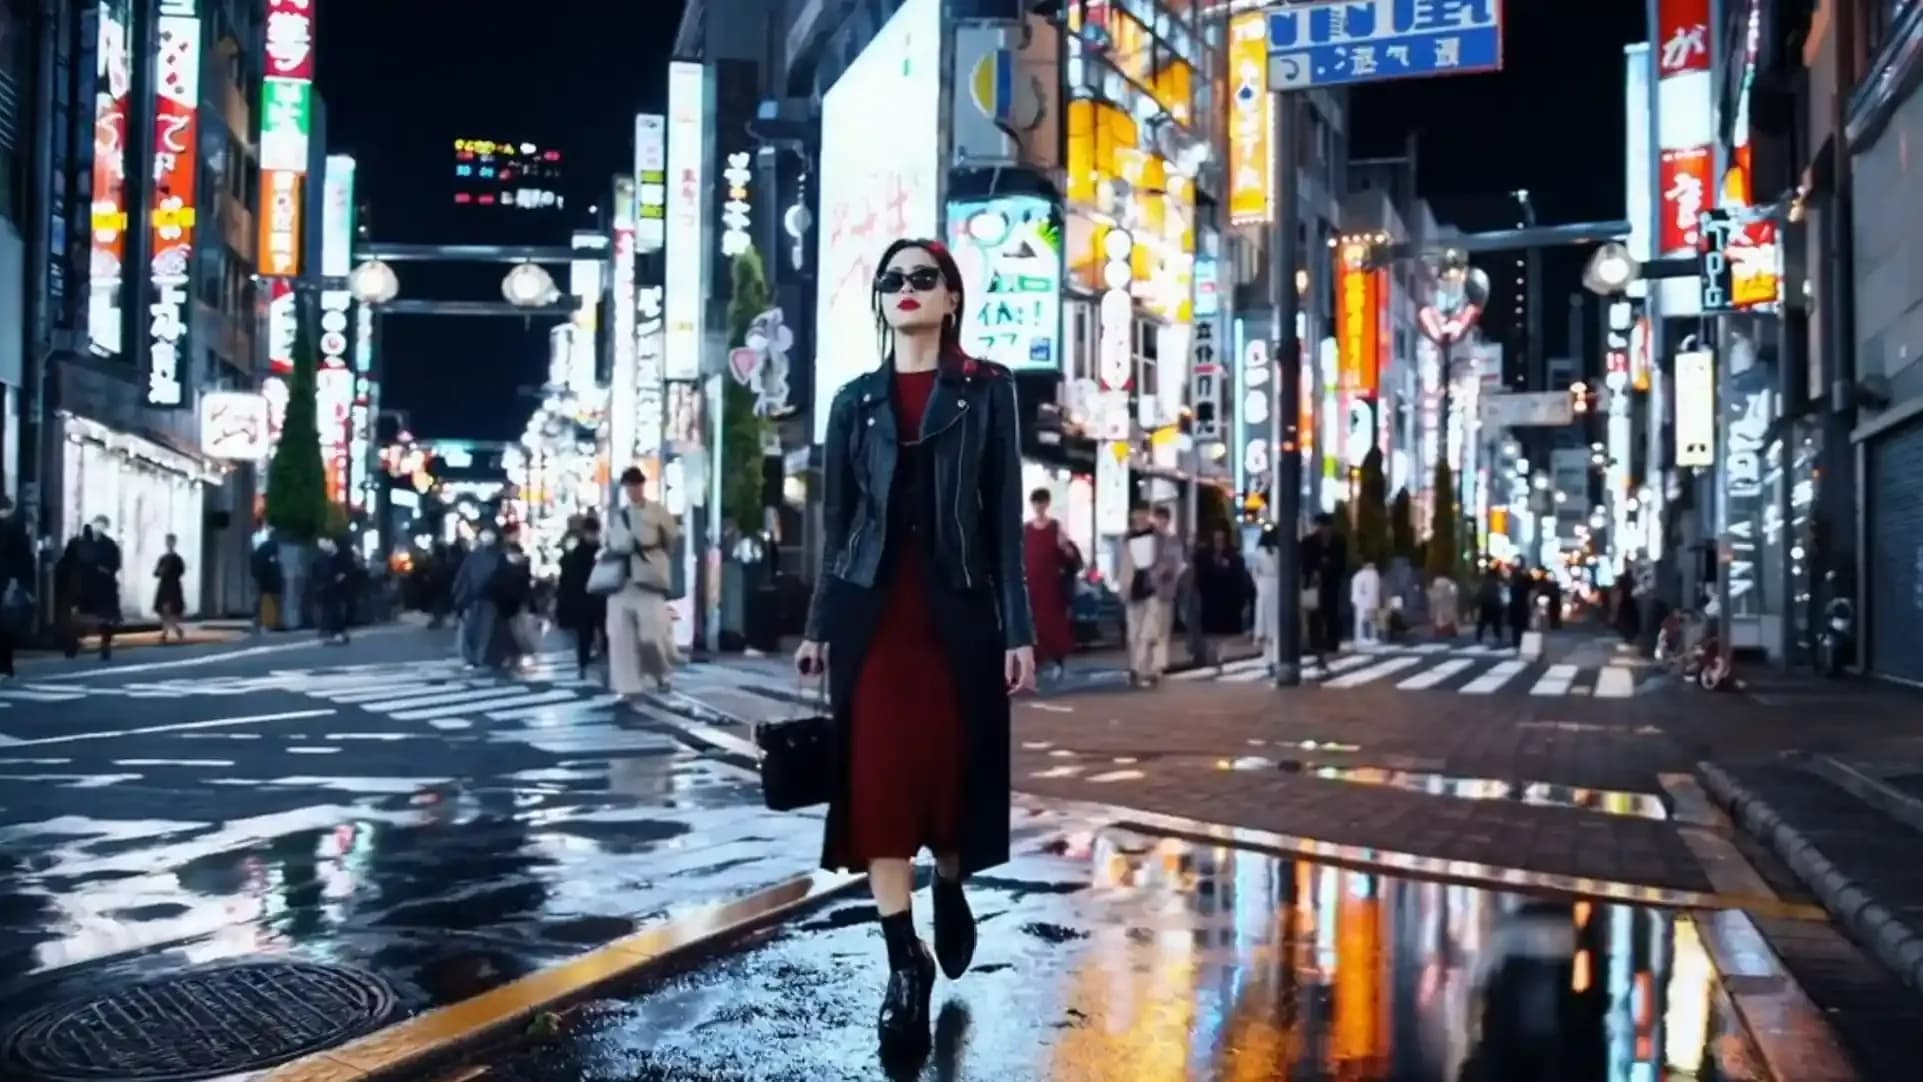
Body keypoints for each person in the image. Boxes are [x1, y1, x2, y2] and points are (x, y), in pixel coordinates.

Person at [793, 237, 1035, 1064]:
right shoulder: (852, 401)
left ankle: (953, 887)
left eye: (921, 279)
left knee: (951, 775)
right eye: (891, 281)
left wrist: (1019, 631)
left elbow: (1002, 519)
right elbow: (835, 526)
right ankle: (904, 964)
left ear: (950, 299)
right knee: (880, 789)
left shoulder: (988, 391)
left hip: (959, 610)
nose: (905, 291)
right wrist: (818, 626)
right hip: (871, 614)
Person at [604, 466, 680, 694]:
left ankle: (660, 672)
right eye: (628, 486)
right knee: (620, 638)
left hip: (648, 579)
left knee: (651, 636)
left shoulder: (658, 511)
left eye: (635, 485)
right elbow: (609, 542)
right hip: (620, 581)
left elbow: (672, 539)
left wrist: (657, 560)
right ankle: (627, 686)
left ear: (642, 486)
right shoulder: (617, 514)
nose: (632, 490)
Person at [1118, 504, 1181, 686]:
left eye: (1144, 513)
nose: (1140, 517)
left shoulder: (1160, 537)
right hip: (1133, 588)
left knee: (1150, 631)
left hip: (1154, 588)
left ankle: (1145, 668)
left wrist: (1166, 571)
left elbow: (1171, 560)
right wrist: (1122, 585)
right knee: (1135, 632)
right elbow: (1122, 563)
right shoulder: (1126, 538)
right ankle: (1139, 668)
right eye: (1137, 513)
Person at [1022, 488, 1079, 680]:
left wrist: (1065, 548)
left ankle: (1058, 661)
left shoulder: (1056, 527)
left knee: (1054, 624)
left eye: (1042, 502)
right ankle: (1037, 665)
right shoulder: (1026, 530)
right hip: (1032, 585)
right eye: (1036, 503)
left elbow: (1068, 557)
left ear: (1047, 504)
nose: (1039, 506)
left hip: (1051, 586)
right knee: (1034, 626)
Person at [555, 517, 607, 678]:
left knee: (588, 634)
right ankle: (590, 662)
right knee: (594, 632)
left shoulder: (577, 553)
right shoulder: (599, 553)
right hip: (594, 600)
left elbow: (567, 580)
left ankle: (585, 664)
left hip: (587, 600)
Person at [66, 518, 121, 660]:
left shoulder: (109, 544)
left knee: (104, 618)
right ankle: (72, 645)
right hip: (84, 585)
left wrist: (103, 569)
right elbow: (70, 561)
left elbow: (114, 565)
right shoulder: (78, 542)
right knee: (78, 617)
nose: (98, 528)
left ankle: (105, 645)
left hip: (103, 586)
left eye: (102, 525)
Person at [452, 529, 507, 667]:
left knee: (475, 630)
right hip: (484, 598)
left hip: (477, 598)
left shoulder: (475, 557)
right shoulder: (497, 556)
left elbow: (462, 579)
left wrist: (458, 596)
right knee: (482, 630)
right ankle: (480, 657)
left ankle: (475, 657)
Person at [1299, 513, 1346, 660]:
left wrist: (1329, 566)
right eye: (1318, 526)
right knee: (1313, 613)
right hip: (1312, 583)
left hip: (1331, 582)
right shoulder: (1308, 542)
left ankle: (1332, 643)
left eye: (1324, 526)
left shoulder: (1339, 541)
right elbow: (1304, 562)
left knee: (1331, 612)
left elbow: (1341, 562)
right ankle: (1315, 643)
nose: (1321, 529)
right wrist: (1314, 571)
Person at [492, 523, 536, 666]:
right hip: (509, 597)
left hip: (510, 597)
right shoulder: (504, 554)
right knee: (512, 628)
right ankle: (514, 652)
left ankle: (513, 653)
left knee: (512, 628)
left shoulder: (502, 554)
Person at [1195, 526, 1250, 638]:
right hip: (1210, 605)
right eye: (1217, 540)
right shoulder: (1203, 556)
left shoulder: (1235, 557)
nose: (1219, 543)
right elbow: (1200, 578)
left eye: (1222, 540)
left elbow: (1239, 580)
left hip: (1230, 607)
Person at [0, 496, 33, 679]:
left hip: (6, 581)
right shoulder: (16, 530)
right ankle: (6, 665)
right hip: (7, 581)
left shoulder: (12, 529)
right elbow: (24, 559)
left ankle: (5, 665)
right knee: (5, 626)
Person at [309, 537, 352, 645]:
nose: (320, 544)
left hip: (334, 587)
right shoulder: (325, 557)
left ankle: (335, 632)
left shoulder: (338, 555)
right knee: (331, 610)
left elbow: (344, 569)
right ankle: (333, 632)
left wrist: (341, 576)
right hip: (329, 586)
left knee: (333, 609)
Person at [1249, 525, 1280, 657]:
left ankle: (1266, 653)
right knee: (1276, 620)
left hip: (1264, 584)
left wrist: (1258, 583)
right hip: (1277, 584)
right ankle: (1275, 653)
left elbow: (1253, 571)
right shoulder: (1280, 551)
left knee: (1264, 617)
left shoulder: (1258, 552)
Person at [153, 534, 187, 643]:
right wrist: (160, 571)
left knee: (168, 610)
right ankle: (173, 630)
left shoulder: (177, 559)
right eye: (168, 541)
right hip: (165, 585)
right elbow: (155, 572)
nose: (169, 543)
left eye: (171, 541)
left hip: (172, 585)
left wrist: (164, 572)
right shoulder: (163, 558)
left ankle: (166, 632)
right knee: (164, 611)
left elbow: (181, 571)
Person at [250, 533, 282, 632]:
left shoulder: (259, 551)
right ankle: (272, 623)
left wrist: (256, 575)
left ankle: (264, 623)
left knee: (264, 601)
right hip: (273, 580)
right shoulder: (272, 548)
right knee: (273, 602)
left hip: (264, 580)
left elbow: (255, 567)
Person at [1350, 559, 1382, 645]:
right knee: (1361, 620)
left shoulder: (1375, 575)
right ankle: (1360, 638)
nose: (1372, 566)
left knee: (1372, 620)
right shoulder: (1360, 576)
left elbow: (1376, 589)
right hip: (1362, 601)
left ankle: (1372, 637)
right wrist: (1357, 601)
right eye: (1370, 565)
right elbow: (1358, 589)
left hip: (1371, 601)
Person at [1474, 566, 1505, 646]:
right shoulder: (1497, 583)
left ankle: (1478, 637)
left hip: (1485, 603)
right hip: (1495, 604)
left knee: (1482, 622)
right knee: (1496, 622)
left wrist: (1477, 603)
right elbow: (1501, 594)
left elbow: (1480, 593)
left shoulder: (1484, 582)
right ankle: (1498, 636)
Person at [1506, 564, 1536, 649]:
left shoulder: (1513, 584)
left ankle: (1516, 642)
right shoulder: (1524, 584)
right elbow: (1532, 583)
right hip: (1522, 606)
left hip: (1515, 606)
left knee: (1516, 627)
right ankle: (1521, 642)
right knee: (1523, 626)